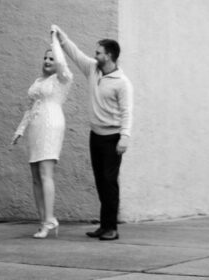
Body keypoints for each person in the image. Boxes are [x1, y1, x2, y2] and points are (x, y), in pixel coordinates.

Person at [52, 25, 133, 242]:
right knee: (100, 181)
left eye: (98, 52)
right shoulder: (93, 69)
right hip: (95, 136)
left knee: (109, 182)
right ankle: (104, 226)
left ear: (109, 56)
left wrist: (125, 136)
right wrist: (62, 37)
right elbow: (76, 54)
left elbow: (127, 111)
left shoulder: (122, 83)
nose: (94, 55)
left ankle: (112, 228)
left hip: (113, 138)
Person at [11, 28, 72, 238]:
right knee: (35, 176)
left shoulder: (62, 79)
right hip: (36, 128)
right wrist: (20, 130)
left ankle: (50, 220)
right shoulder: (38, 82)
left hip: (52, 124)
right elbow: (30, 109)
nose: (47, 61)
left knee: (46, 173)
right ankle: (44, 220)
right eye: (45, 57)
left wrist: (54, 39)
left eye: (52, 58)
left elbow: (63, 63)